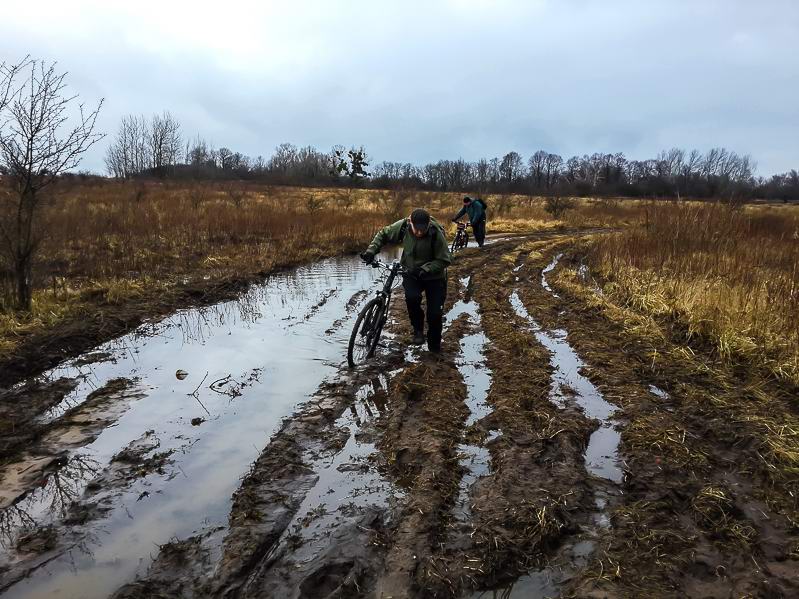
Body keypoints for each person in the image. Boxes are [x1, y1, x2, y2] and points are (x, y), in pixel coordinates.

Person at [360, 208, 452, 353]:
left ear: (428, 224)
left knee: (434, 314)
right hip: (410, 272)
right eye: (417, 229)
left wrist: (426, 269)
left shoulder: (436, 233)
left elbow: (445, 259)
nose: (420, 233)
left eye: (424, 229)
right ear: (410, 223)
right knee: (412, 298)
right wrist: (371, 251)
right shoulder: (403, 226)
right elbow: (383, 234)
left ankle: (434, 347)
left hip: (435, 276)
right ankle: (418, 331)